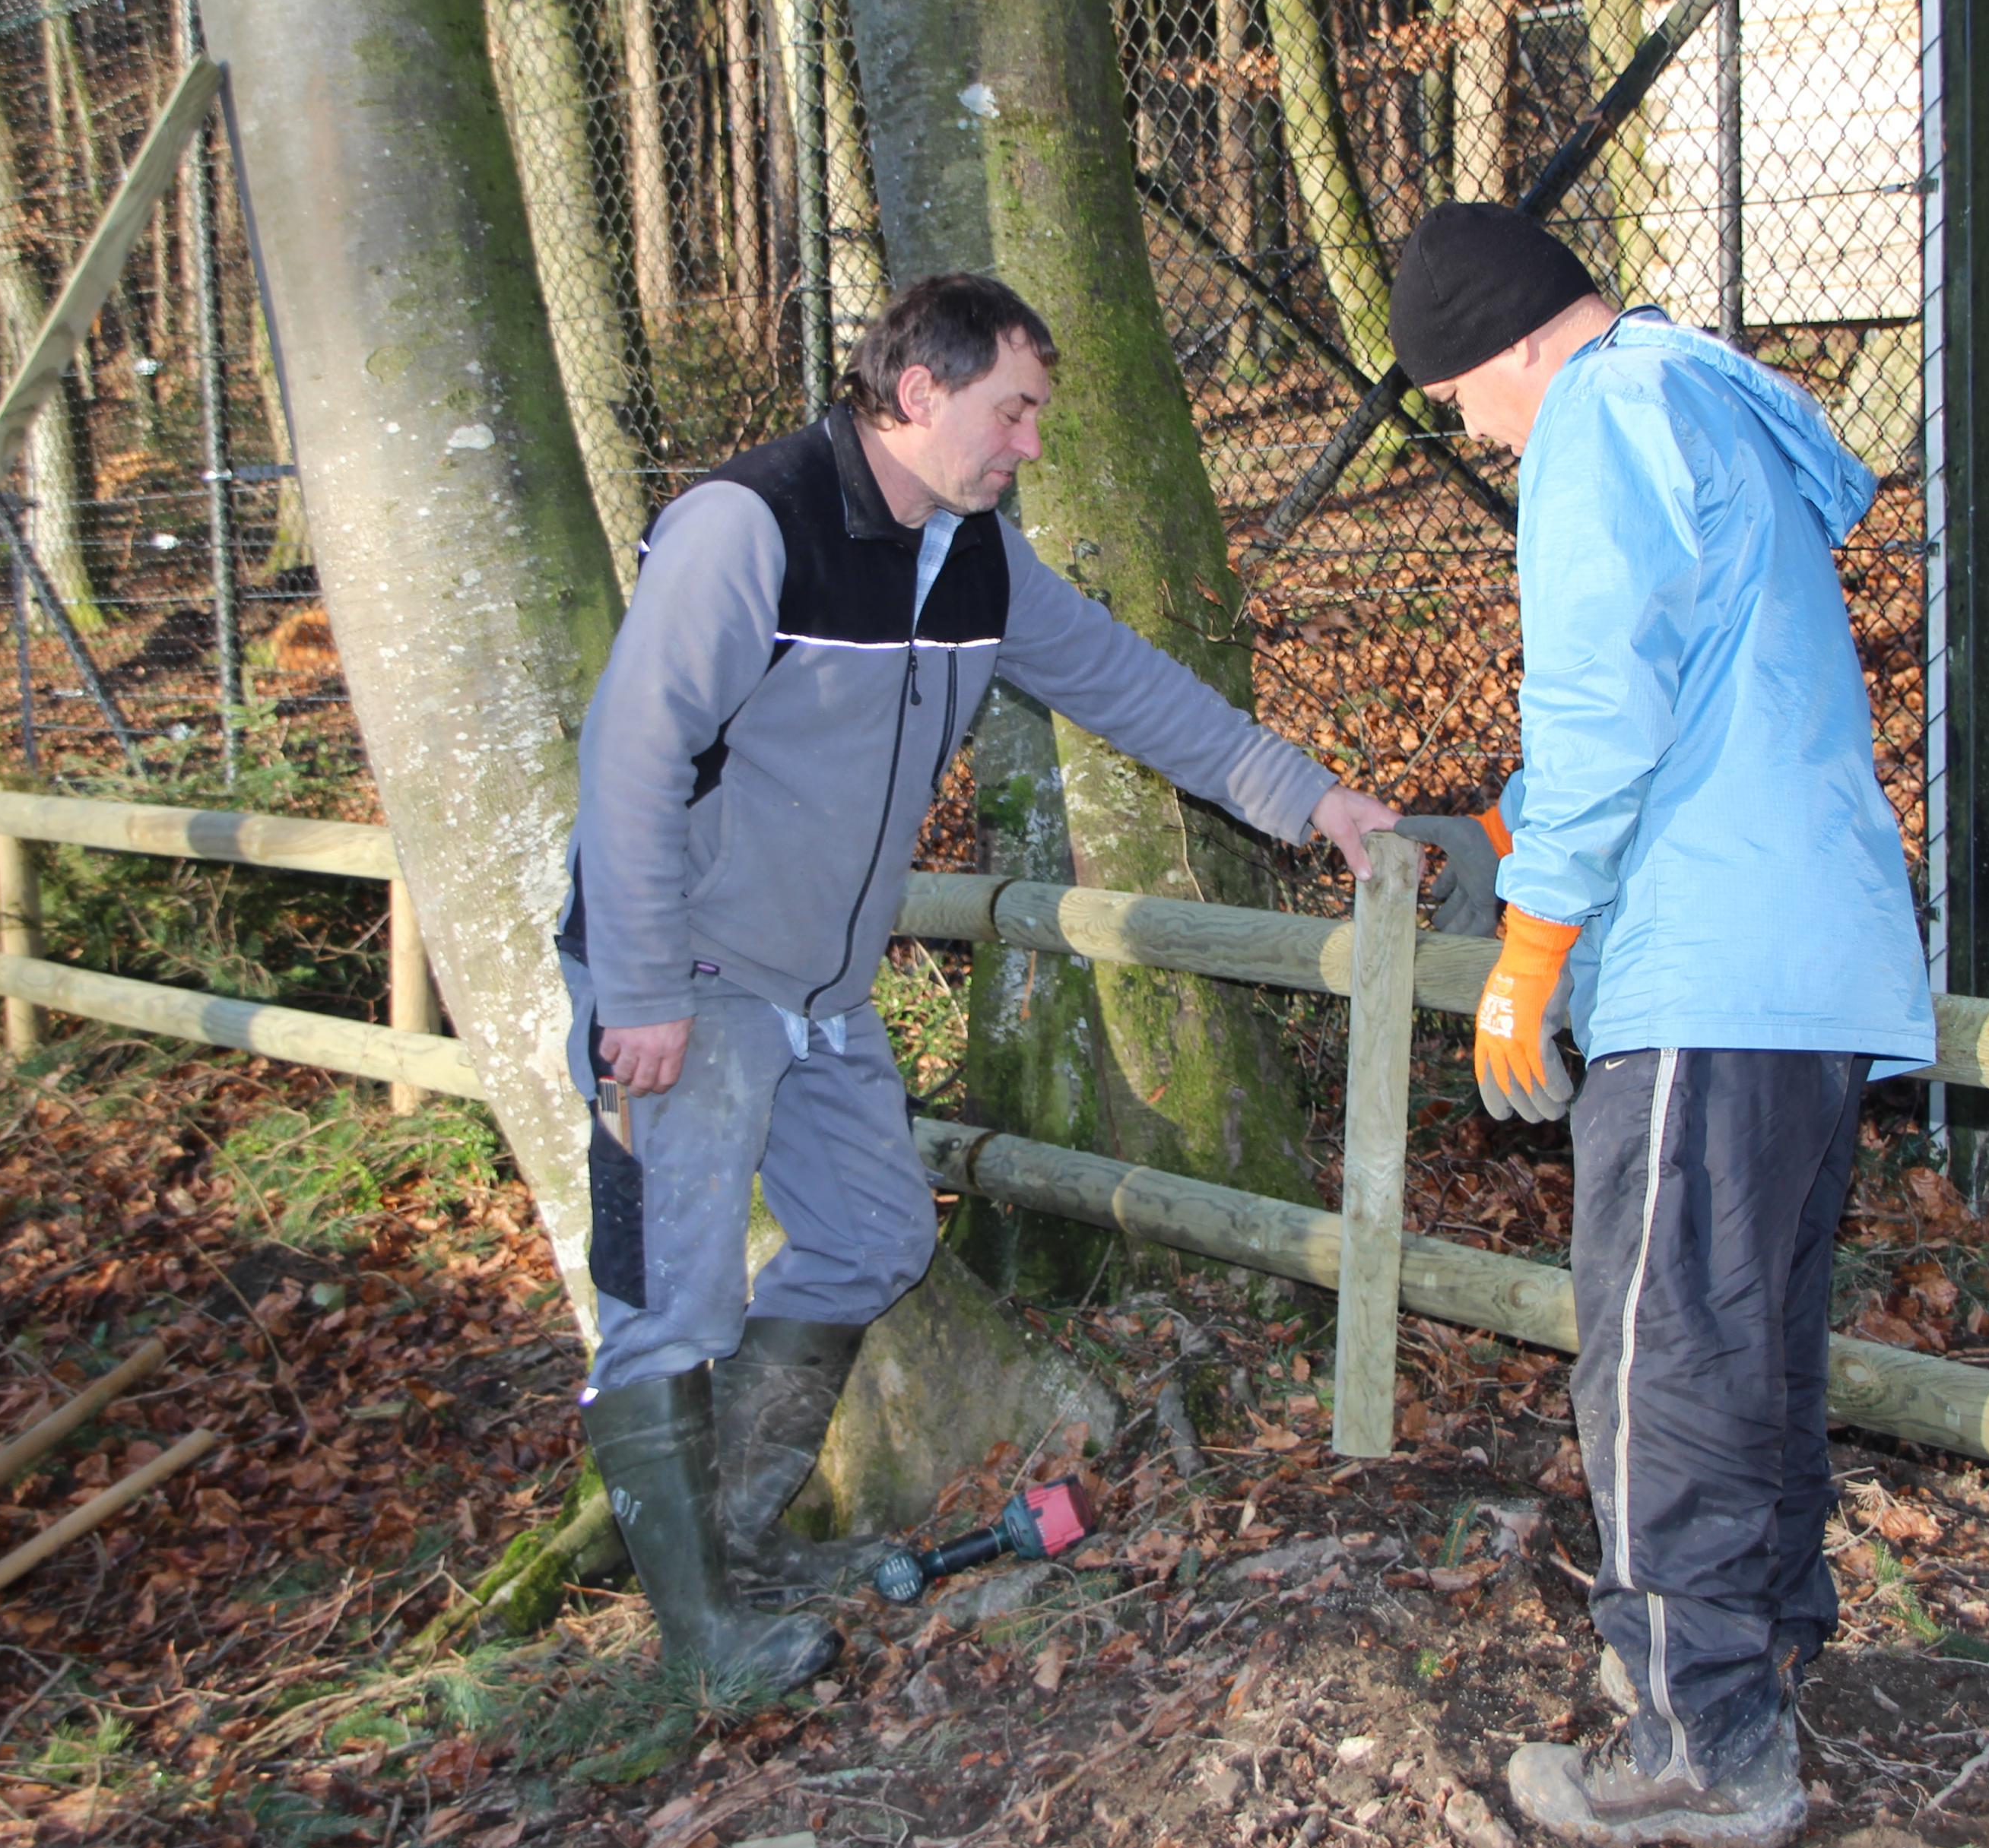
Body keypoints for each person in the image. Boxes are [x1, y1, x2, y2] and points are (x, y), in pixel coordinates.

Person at [557, 274, 1398, 1686]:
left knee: (877, 1235)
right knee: (670, 1293)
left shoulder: (976, 557)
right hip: (686, 971)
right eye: (1012, 411)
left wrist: (1314, 800)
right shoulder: (749, 527)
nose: (1029, 442)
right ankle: (702, 1643)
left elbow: (1133, 687)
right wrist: (638, 982)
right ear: (917, 392)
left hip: (824, 990)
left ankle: (737, 1542)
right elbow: (633, 751)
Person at [1388, 204, 1933, 1848]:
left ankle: (1702, 1739)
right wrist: (1508, 833)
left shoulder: (1601, 414)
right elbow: (1692, 677)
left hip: (1702, 958)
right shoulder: (1701, 400)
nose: (1475, 435)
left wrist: (1536, 931)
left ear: (1509, 345)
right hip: (1807, 958)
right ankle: (1760, 1650)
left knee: (1661, 1352)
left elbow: (1602, 692)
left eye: (1460, 401)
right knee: (1751, 1337)